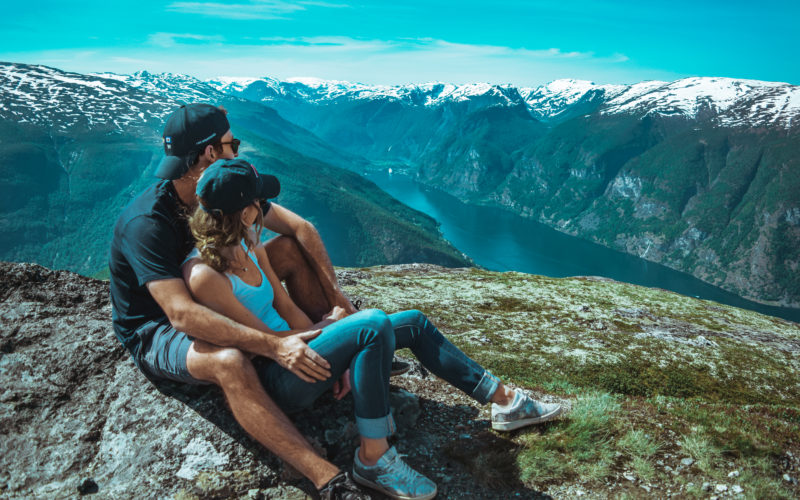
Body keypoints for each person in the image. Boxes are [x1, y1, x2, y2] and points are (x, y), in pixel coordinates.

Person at [183, 158, 565, 500]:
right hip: (279, 376)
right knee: (371, 325)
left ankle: (505, 401)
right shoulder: (205, 276)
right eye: (258, 202)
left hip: (306, 352)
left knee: (412, 321)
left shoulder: (251, 245)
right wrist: (331, 330)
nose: (264, 208)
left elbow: (285, 309)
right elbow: (261, 344)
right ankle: (373, 458)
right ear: (246, 212)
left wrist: (332, 343)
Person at [109, 103, 371, 499]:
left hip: (213, 293)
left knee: (287, 251)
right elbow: (180, 314)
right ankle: (326, 479)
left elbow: (301, 228)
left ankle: (339, 349)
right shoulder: (147, 223)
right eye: (233, 144)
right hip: (155, 328)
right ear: (211, 152)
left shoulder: (224, 189)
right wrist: (275, 345)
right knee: (228, 361)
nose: (238, 151)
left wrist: (342, 307)